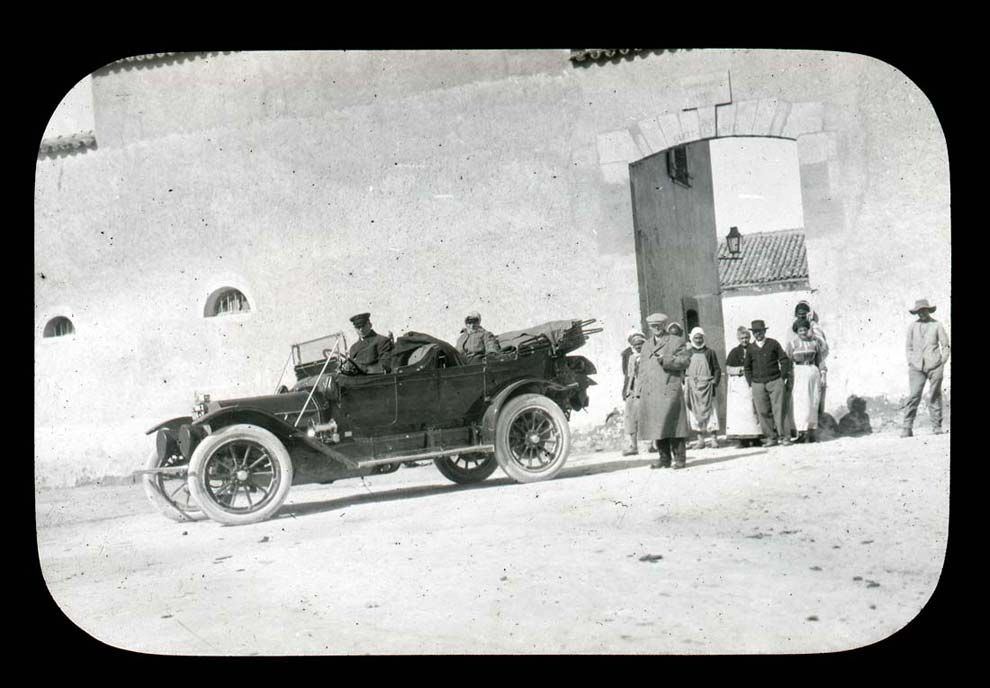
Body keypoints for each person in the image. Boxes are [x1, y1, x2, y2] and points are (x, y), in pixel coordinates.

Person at [638, 312, 692, 469]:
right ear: (649, 327)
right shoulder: (646, 345)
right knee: (657, 426)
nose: (656, 329)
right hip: (651, 392)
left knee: (674, 426)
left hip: (669, 390)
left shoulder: (676, 341)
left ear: (664, 325)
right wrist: (640, 389)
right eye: (653, 326)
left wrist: (666, 360)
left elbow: (685, 361)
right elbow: (642, 369)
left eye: (658, 325)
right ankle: (664, 459)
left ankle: (680, 459)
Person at [899, 299, 950, 437]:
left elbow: (945, 346)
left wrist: (942, 362)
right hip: (916, 367)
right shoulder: (912, 327)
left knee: (934, 395)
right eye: (919, 311)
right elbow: (908, 347)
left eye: (924, 310)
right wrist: (911, 361)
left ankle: (937, 426)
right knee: (914, 395)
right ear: (916, 313)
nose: (921, 313)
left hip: (935, 366)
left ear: (928, 310)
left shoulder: (937, 325)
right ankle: (907, 427)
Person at [743, 319, 792, 447]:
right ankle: (771, 437)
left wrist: (782, 377)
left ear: (764, 331)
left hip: (775, 380)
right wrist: (751, 382)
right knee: (763, 411)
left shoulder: (773, 344)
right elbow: (747, 367)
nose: (758, 334)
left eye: (760, 331)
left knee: (780, 409)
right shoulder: (750, 348)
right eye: (755, 332)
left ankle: (785, 437)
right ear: (753, 334)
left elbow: (784, 360)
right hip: (758, 383)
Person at [786, 318, 826, 443]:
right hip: (799, 372)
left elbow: (819, 359)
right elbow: (786, 361)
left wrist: (823, 374)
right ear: (796, 332)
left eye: (804, 330)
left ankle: (811, 432)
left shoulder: (814, 343)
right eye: (800, 330)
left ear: (808, 330)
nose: (802, 332)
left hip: (813, 372)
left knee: (813, 401)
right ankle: (801, 432)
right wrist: (788, 377)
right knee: (801, 402)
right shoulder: (792, 344)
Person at [684, 327, 721, 449]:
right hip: (694, 388)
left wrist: (715, 381)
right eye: (696, 338)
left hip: (708, 387)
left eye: (700, 338)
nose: (698, 340)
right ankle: (700, 440)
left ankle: (714, 439)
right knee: (695, 413)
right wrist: (687, 382)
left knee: (711, 412)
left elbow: (716, 368)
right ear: (692, 338)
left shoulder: (710, 352)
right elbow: (684, 369)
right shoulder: (688, 353)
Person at [725, 326, 762, 447]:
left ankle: (756, 437)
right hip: (740, 384)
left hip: (752, 381)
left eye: (746, 337)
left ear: (749, 337)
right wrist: (741, 370)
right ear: (738, 339)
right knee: (741, 411)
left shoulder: (755, 349)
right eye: (742, 338)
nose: (744, 340)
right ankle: (743, 439)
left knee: (753, 409)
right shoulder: (734, 352)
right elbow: (728, 368)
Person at [793, 300, 830, 418]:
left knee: (813, 397)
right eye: (799, 314)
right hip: (798, 368)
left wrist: (809, 333)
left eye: (804, 313)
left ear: (809, 314)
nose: (801, 316)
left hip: (813, 365)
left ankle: (813, 427)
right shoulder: (793, 328)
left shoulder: (814, 327)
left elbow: (822, 347)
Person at [621, 331, 647, 456]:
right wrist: (625, 391)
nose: (638, 346)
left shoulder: (649, 357)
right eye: (635, 344)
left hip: (646, 389)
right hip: (632, 389)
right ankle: (633, 445)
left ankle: (654, 444)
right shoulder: (631, 358)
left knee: (649, 415)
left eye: (640, 344)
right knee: (630, 416)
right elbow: (628, 375)